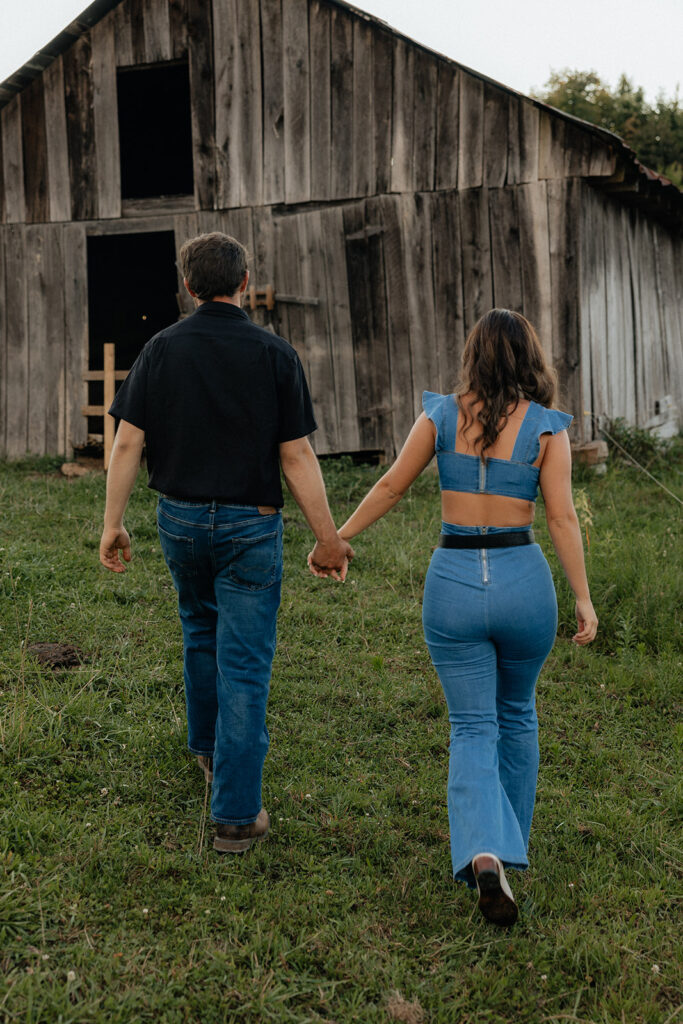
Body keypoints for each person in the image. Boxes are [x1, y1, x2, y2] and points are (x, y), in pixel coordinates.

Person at [311, 309, 598, 926]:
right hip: (525, 584)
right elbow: (562, 518)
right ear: (530, 359)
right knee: (517, 713)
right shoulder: (548, 429)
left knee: (473, 726)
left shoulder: (442, 415)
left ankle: (484, 852)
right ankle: (507, 848)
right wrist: (583, 596)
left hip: (454, 584)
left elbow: (390, 487)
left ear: (474, 357)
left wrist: (335, 540)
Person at [99, 232, 353, 854]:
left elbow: (127, 443)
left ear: (187, 286)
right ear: (245, 282)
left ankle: (210, 753)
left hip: (180, 522)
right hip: (251, 524)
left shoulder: (159, 350)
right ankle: (237, 815)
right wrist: (328, 540)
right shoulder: (274, 353)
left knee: (198, 630)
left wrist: (112, 523)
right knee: (243, 662)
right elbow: (295, 456)